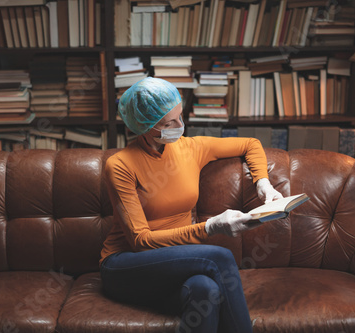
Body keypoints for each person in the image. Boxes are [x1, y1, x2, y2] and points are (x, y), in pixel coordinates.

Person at [100, 77, 283, 333]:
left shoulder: (190, 148)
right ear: (145, 126)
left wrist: (262, 183)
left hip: (174, 265)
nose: (180, 127)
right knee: (219, 256)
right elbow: (141, 240)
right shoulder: (120, 165)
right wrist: (210, 227)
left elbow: (250, 144)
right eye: (169, 122)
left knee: (205, 290)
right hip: (126, 265)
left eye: (180, 116)